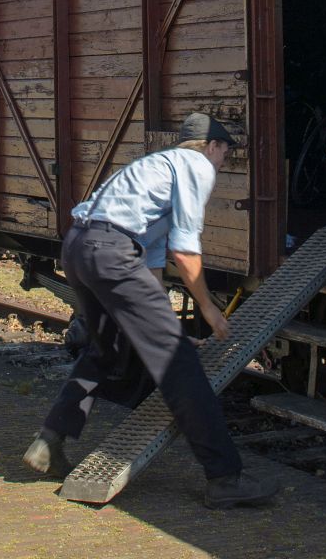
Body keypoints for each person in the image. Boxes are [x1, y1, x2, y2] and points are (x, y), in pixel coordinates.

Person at [24, 113, 277, 509]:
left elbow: (153, 263)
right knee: (179, 365)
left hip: (79, 245)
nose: (224, 161)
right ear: (211, 146)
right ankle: (225, 477)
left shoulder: (155, 166)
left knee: (106, 349)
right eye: (225, 152)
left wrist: (162, 325)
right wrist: (208, 310)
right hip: (110, 252)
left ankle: (50, 440)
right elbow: (185, 248)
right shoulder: (196, 166)